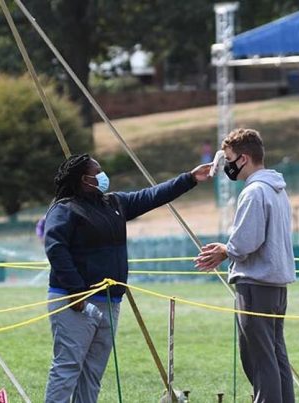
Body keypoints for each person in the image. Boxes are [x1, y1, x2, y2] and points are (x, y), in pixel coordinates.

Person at [43, 153, 212, 403]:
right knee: (67, 368)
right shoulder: (65, 208)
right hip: (75, 302)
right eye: (96, 173)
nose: (102, 177)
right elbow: (55, 247)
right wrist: (76, 290)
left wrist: (190, 178)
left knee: (92, 374)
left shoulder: (114, 204)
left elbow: (152, 196)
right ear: (83, 179)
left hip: (110, 302)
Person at [194, 128, 296, 403]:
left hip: (255, 286)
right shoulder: (278, 190)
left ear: (245, 158)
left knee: (258, 359)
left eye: (229, 158)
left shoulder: (254, 192)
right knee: (276, 355)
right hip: (276, 286)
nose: (227, 165)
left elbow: (246, 241)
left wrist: (225, 249)